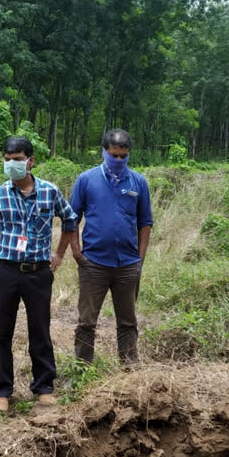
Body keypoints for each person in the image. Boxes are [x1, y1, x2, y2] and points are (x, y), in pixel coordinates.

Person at [0, 136, 78, 412]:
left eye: (18, 160)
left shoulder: (50, 191)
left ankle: (44, 387)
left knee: (40, 330)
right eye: (8, 160)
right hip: (6, 270)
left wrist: (59, 254)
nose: (12, 164)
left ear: (30, 161)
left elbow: (70, 220)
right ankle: (1, 391)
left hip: (38, 272)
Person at [69, 129, 153, 366]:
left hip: (127, 264)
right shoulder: (86, 180)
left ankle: (129, 367)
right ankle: (83, 368)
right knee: (87, 321)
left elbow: (145, 222)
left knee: (127, 321)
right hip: (93, 263)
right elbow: (71, 218)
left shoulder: (138, 182)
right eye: (114, 155)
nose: (118, 161)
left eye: (123, 156)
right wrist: (77, 252)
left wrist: (140, 258)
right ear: (104, 151)